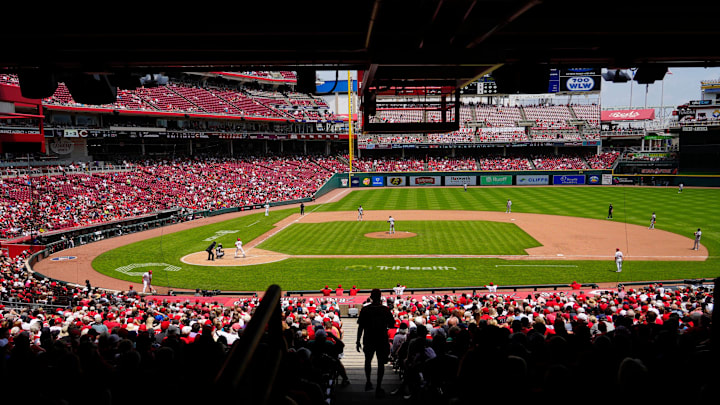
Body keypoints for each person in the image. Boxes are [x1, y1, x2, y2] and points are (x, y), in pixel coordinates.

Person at [356, 288, 395, 398]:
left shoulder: (365, 309)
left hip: (368, 338)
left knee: (368, 361)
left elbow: (361, 327)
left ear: (371, 297)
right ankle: (378, 386)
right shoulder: (385, 309)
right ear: (380, 297)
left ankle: (368, 382)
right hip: (381, 339)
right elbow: (392, 324)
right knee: (380, 363)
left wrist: (358, 341)